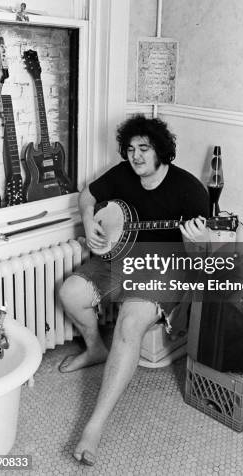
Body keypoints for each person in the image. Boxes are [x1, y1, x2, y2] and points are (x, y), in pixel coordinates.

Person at [59, 114, 210, 466]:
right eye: (130, 149)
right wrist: (88, 220)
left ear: (161, 151)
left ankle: (93, 427)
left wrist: (197, 241)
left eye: (144, 148)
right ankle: (96, 348)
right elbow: (88, 194)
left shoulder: (190, 191)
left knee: (129, 325)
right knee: (70, 293)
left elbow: (199, 260)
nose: (135, 156)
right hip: (118, 258)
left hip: (164, 269)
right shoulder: (123, 174)